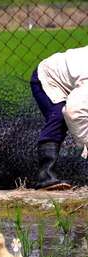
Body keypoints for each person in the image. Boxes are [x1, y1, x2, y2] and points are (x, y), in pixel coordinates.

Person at [31, 46, 88, 191]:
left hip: (74, 82)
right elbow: (73, 112)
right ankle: (46, 176)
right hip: (47, 78)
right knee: (59, 117)